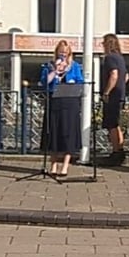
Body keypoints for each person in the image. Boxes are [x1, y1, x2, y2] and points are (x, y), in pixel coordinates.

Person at [39, 40, 84, 178]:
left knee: (68, 133)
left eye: (66, 53)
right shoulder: (49, 65)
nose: (63, 55)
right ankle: (53, 164)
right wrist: (55, 72)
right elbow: (43, 82)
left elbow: (80, 81)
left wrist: (73, 81)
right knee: (54, 132)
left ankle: (65, 165)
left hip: (70, 102)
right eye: (61, 52)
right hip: (55, 101)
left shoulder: (75, 66)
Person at [101, 33, 128, 165]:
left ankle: (115, 151)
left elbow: (114, 74)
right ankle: (120, 150)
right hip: (120, 94)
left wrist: (106, 91)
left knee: (111, 124)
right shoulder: (120, 58)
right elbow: (126, 76)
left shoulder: (110, 58)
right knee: (116, 124)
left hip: (113, 96)